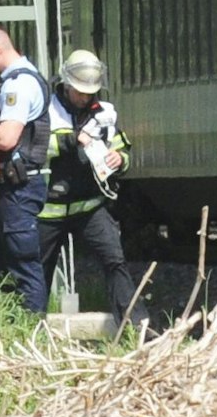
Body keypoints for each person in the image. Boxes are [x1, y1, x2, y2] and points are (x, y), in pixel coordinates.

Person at [38, 49, 145, 330]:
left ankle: (135, 327)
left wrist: (120, 159)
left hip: (90, 207)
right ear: (66, 84)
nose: (85, 98)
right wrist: (72, 140)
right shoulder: (45, 110)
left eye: (90, 92)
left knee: (115, 260)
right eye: (80, 92)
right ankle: (29, 328)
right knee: (39, 272)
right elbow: (35, 149)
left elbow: (121, 148)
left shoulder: (105, 113)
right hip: (48, 210)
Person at [0, 22, 52, 315]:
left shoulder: (18, 85)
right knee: (8, 268)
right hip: (13, 188)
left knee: (22, 266)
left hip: (18, 189)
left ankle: (31, 328)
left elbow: (6, 138)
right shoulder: (14, 81)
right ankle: (14, 329)